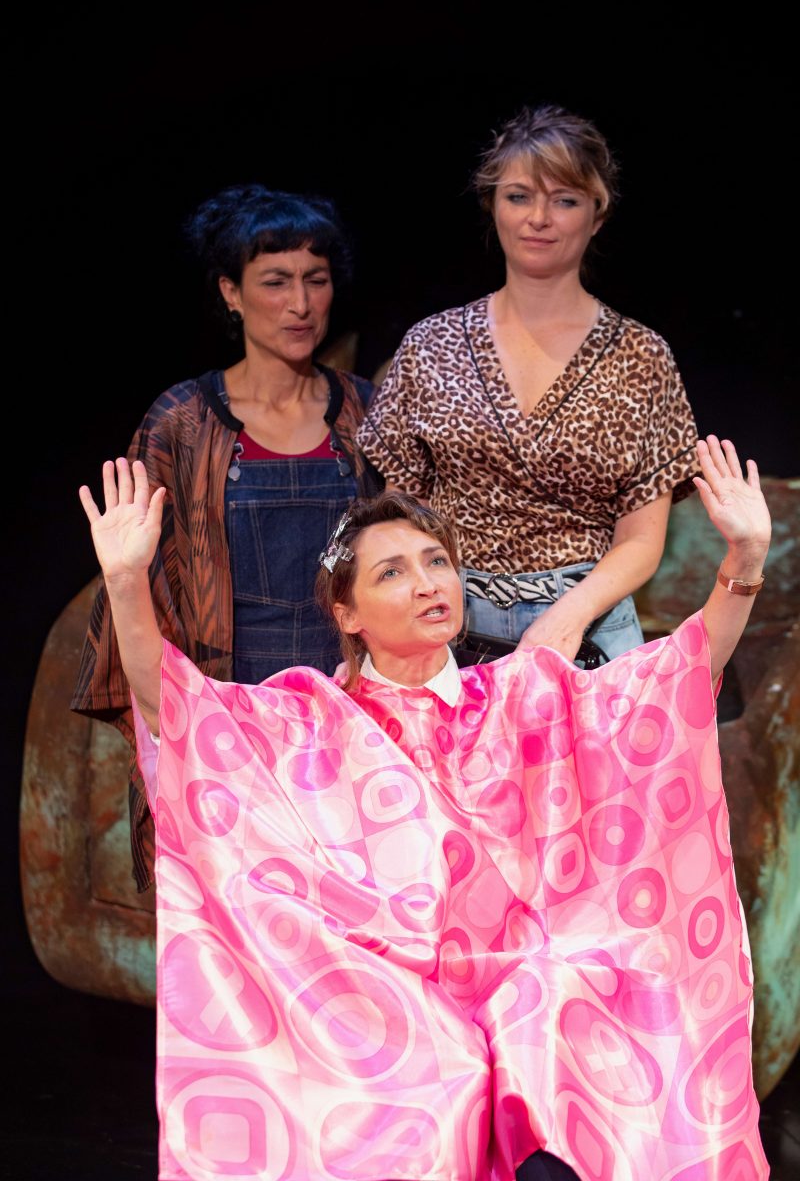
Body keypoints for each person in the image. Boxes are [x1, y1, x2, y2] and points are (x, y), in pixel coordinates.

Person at [79, 435, 770, 1181]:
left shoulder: (523, 692)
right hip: (383, 996)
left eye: (436, 561)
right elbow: (176, 707)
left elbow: (684, 672)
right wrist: (125, 582)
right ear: (346, 612)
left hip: (524, 976)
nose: (427, 582)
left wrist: (746, 565)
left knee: (549, 1025)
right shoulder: (306, 719)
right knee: (437, 1088)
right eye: (393, 571)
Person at [71, 185, 381, 890]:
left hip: (347, 716)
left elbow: (401, 563)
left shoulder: (365, 412)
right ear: (230, 293)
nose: (300, 304)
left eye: (316, 280)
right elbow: (147, 590)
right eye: (275, 282)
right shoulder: (182, 424)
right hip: (227, 722)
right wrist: (190, 725)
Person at [356, 104, 699, 668]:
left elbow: (642, 538)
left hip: (589, 631)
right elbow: (402, 515)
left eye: (564, 200)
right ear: (493, 206)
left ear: (598, 213)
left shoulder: (641, 356)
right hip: (450, 631)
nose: (539, 217)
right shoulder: (431, 344)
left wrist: (567, 616)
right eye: (519, 196)